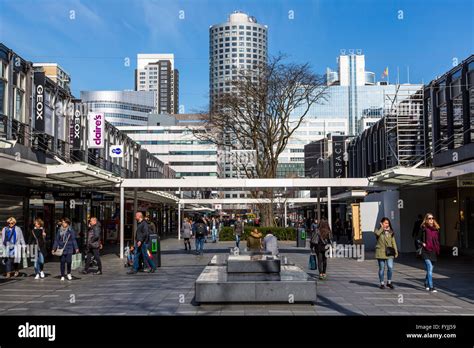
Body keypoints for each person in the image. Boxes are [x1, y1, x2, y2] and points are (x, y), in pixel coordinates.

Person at [417, 213, 440, 293]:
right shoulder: (423, 228)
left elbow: (437, 241)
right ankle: (431, 286)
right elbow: (417, 239)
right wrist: (422, 243)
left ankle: (426, 283)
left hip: (433, 251)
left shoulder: (436, 229)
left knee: (430, 270)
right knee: (429, 267)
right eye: (429, 218)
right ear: (426, 219)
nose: (431, 220)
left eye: (432, 218)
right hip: (425, 251)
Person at [374, 217, 398, 289]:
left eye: (387, 223)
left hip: (389, 253)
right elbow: (377, 234)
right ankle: (382, 283)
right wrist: (382, 228)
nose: (386, 224)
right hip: (380, 252)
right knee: (382, 268)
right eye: (385, 223)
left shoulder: (390, 231)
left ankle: (389, 282)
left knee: (390, 267)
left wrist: (396, 251)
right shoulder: (377, 230)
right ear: (381, 223)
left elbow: (393, 242)